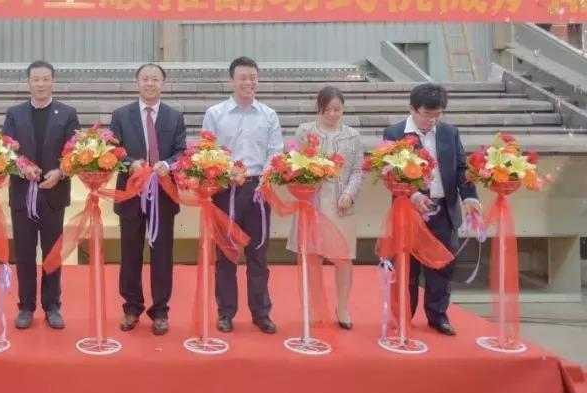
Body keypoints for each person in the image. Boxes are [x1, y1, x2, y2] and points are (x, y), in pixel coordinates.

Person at [382, 82, 481, 336]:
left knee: (442, 266)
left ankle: (438, 316)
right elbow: (389, 174)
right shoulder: (395, 133)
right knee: (408, 268)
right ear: (412, 109)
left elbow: (461, 168)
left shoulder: (449, 132)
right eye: (426, 114)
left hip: (444, 209)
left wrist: (470, 197)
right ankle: (404, 316)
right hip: (409, 211)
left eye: (437, 115)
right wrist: (413, 194)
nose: (432, 120)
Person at [200, 56, 282, 334]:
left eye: (253, 78)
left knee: (259, 254)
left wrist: (266, 178)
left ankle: (261, 312)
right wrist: (226, 172)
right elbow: (207, 151)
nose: (249, 82)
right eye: (243, 78)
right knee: (226, 254)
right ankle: (226, 312)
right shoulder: (216, 113)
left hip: (259, 189)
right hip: (227, 190)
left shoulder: (269, 115)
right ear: (231, 81)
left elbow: (275, 152)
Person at [109, 63, 187, 335]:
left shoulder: (174, 117)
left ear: (163, 84)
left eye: (155, 79)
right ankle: (131, 308)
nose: (150, 84)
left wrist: (168, 164)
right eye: (145, 79)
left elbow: (181, 152)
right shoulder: (121, 115)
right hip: (131, 195)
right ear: (137, 83)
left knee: (162, 255)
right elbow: (113, 152)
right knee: (130, 253)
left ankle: (161, 311)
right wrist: (130, 163)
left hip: (163, 195)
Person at [2, 61, 80, 331]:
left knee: (52, 253)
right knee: (24, 253)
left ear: (53, 81)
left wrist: (60, 172)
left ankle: (52, 306)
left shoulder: (67, 113)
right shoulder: (15, 114)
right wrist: (22, 167)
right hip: (22, 194)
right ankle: (25, 307)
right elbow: (6, 151)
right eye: (36, 79)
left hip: (53, 193)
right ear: (28, 82)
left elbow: (73, 152)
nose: (41, 84)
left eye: (46, 79)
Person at [286, 86, 364, 329]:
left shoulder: (353, 136)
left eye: (337, 110)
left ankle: (343, 307)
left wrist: (349, 193)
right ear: (318, 109)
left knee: (343, 259)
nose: (332, 114)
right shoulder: (305, 131)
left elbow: (358, 170)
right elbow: (293, 164)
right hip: (312, 205)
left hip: (341, 206)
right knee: (312, 258)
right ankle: (314, 307)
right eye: (327, 109)